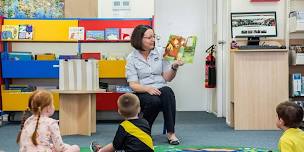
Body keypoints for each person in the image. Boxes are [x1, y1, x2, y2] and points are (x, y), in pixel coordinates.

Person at [125, 24, 183, 145]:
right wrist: (147, 88)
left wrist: (174, 67)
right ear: (139, 39)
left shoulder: (161, 52)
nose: (153, 40)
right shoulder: (131, 58)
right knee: (154, 101)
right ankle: (145, 131)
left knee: (167, 91)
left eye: (154, 36)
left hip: (160, 88)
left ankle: (171, 133)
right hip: (142, 91)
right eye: (149, 37)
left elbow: (167, 78)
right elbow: (133, 85)